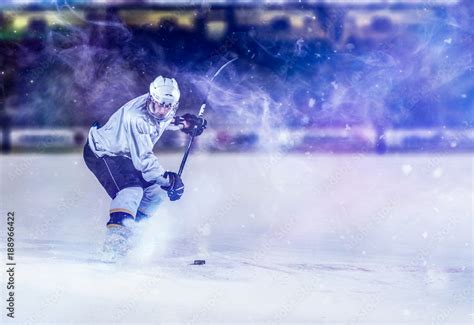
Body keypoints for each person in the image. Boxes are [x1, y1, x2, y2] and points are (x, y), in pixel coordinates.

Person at [83, 76, 206, 258]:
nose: (161, 110)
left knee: (156, 193)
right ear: (151, 98)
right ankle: (115, 241)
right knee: (131, 191)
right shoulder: (137, 118)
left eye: (167, 107)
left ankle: (132, 232)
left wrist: (184, 123)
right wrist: (168, 180)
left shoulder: (161, 104)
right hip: (102, 153)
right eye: (158, 105)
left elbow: (163, 120)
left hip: (125, 155)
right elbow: (144, 161)